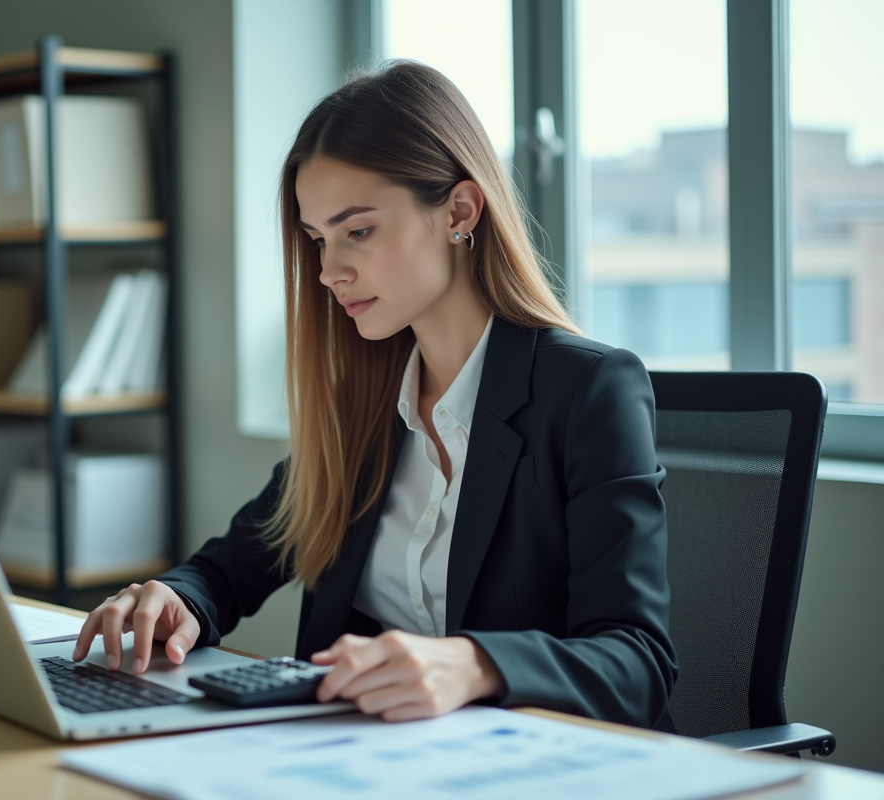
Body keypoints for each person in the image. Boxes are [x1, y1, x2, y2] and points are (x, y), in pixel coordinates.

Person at [72, 61, 677, 730]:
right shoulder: (365, 401)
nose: (328, 271)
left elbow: (638, 664)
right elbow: (231, 566)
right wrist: (175, 600)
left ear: (459, 212)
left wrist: (474, 664)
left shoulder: (590, 390)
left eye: (357, 231)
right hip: (366, 757)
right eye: (318, 240)